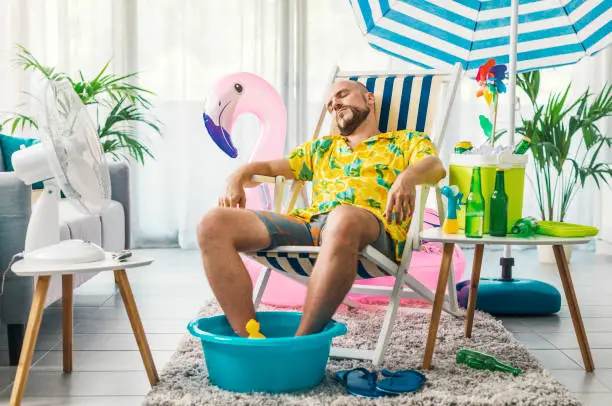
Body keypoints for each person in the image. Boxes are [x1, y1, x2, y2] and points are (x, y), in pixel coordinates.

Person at [197, 80, 446, 337]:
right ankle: (249, 339)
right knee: (213, 223)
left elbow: (435, 166)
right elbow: (269, 169)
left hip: (372, 230)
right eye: (330, 104)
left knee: (343, 217)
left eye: (342, 95)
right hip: (312, 226)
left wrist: (406, 178)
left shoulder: (405, 141)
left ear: (369, 99)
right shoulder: (322, 148)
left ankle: (300, 342)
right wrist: (235, 177)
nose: (335, 104)